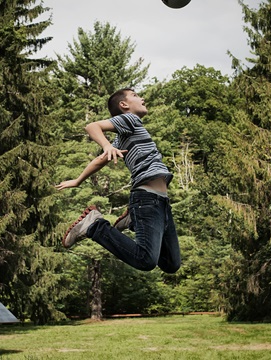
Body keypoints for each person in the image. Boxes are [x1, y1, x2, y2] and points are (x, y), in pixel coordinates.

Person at [55, 88, 181, 273]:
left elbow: (100, 161)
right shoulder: (130, 119)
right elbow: (92, 127)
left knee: (171, 264)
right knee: (145, 261)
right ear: (124, 105)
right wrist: (105, 146)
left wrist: (78, 180)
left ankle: (133, 220)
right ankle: (94, 225)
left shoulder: (124, 136)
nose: (142, 98)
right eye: (136, 96)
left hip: (160, 202)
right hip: (147, 200)